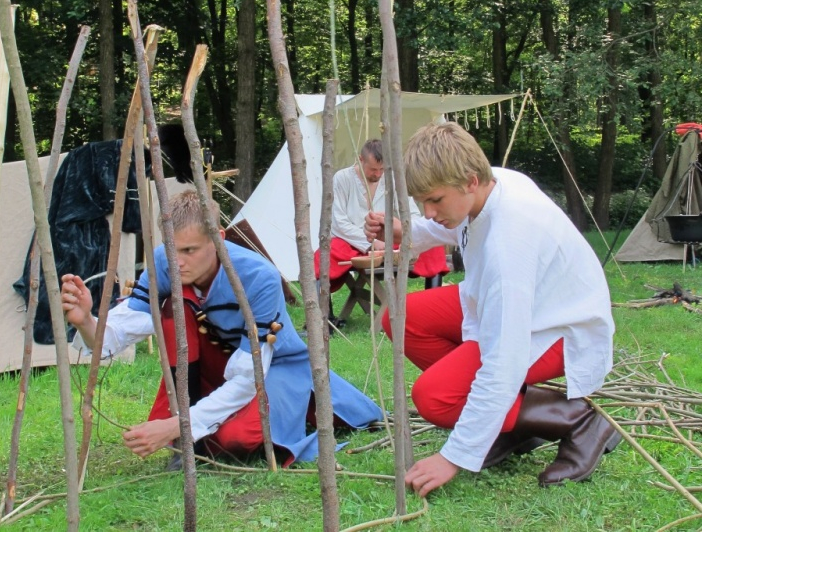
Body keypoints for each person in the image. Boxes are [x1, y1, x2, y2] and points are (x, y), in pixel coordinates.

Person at [364, 122, 619, 497]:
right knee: (402, 318)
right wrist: (408, 230)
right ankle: (507, 423)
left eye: (435, 200)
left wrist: (454, 455)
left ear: (469, 181)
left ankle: (578, 422)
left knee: (435, 397)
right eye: (422, 203)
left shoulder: (509, 245)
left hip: (558, 327)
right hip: (516, 305)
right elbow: (460, 225)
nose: (429, 211)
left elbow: (505, 359)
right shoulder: (491, 182)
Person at [61, 189, 382, 466]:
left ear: (219, 240)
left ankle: (194, 429)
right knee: (178, 303)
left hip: (268, 369)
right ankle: (188, 427)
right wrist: (87, 322)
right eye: (173, 249)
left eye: (190, 250)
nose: (179, 261)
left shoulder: (260, 277)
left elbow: (247, 376)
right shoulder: (164, 262)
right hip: (207, 366)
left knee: (236, 441)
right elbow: (126, 327)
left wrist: (177, 427)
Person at [313, 139, 449, 324]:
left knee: (433, 247)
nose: (378, 174)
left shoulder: (390, 179)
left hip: (386, 239)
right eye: (373, 170)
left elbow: (413, 214)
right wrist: (370, 241)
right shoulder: (342, 178)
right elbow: (338, 223)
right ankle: (324, 319)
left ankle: (434, 313)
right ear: (360, 159)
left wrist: (400, 235)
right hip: (351, 240)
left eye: (381, 169)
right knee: (323, 255)